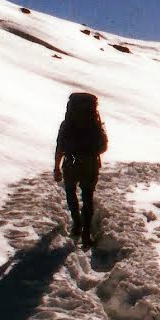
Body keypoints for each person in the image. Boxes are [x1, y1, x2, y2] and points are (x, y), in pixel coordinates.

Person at [54, 92, 108, 247]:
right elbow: (103, 146)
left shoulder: (67, 124)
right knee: (88, 198)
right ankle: (86, 233)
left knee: (71, 193)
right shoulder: (95, 124)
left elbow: (60, 147)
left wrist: (57, 167)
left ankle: (77, 223)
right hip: (90, 165)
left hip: (70, 164)